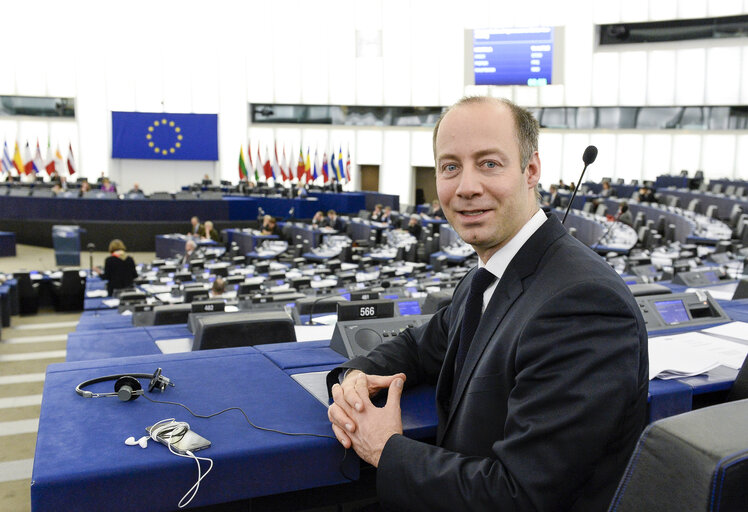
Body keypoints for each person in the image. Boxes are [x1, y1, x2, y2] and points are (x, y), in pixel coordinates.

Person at [326, 96, 648, 512]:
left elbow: (521, 497)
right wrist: (358, 375)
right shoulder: (491, 275)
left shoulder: (582, 304)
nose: (466, 187)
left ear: (531, 170)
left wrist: (385, 450)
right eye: (450, 167)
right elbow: (421, 346)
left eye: (489, 163)